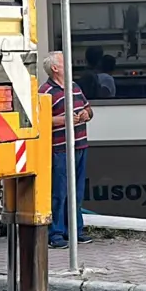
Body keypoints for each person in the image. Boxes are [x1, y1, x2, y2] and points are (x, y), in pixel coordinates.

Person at [40, 51, 93, 249]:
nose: (70, 63)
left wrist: (85, 114)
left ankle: (76, 230)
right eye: (64, 61)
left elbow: (89, 109)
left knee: (77, 191)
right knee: (59, 192)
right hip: (60, 149)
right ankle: (55, 233)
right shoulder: (45, 92)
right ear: (55, 68)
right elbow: (39, 120)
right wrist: (64, 119)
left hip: (80, 145)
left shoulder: (74, 87)